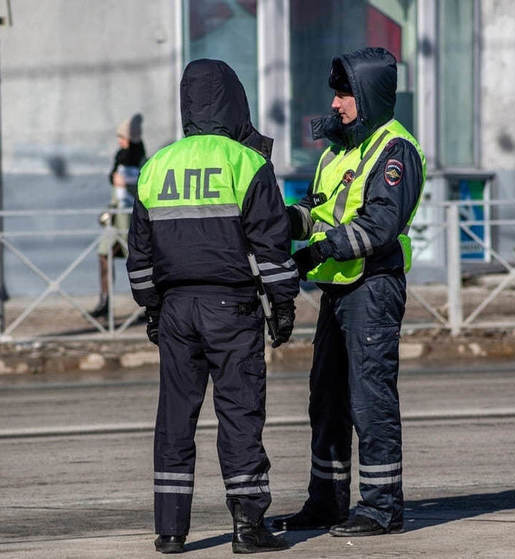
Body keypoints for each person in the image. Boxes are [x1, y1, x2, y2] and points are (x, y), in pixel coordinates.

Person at [126, 59, 299, 554]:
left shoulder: (157, 164)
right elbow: (271, 245)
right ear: (235, 101)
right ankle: (248, 529)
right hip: (232, 307)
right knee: (240, 414)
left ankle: (171, 532)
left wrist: (152, 308)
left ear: (186, 104)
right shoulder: (246, 163)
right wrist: (283, 306)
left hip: (176, 310)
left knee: (175, 419)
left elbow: (139, 254)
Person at [274, 47, 426, 537]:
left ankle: (382, 507)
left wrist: (318, 252)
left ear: (369, 95)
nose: (336, 104)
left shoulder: (393, 149)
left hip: (373, 286)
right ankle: (327, 502)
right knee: (327, 398)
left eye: (345, 94)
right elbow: (317, 212)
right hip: (339, 289)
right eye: (336, 93)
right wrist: (277, 223)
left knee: (369, 399)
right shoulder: (339, 151)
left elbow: (379, 225)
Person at [90, 114, 146, 318]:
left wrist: (128, 183)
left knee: (138, 259)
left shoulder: (140, 157)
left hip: (131, 217)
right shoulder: (119, 155)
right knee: (104, 254)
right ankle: (104, 300)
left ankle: (148, 304)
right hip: (115, 214)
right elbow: (113, 179)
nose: (119, 141)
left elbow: (143, 181)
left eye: (122, 137)